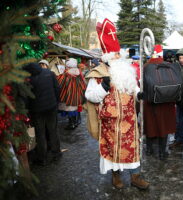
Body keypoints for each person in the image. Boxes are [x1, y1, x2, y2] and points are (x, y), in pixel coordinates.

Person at [85, 18, 149, 190]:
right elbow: (90, 96)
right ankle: (116, 176)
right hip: (110, 122)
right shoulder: (98, 73)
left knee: (132, 149)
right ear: (107, 59)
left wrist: (139, 94)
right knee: (114, 151)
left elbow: (133, 88)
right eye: (115, 57)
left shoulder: (127, 72)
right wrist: (103, 87)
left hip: (129, 120)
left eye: (119, 56)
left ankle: (135, 177)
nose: (119, 59)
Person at [24, 63, 61, 165]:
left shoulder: (28, 78)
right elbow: (57, 89)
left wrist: (27, 109)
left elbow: (27, 96)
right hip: (51, 107)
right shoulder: (49, 73)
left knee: (40, 133)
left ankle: (42, 158)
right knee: (53, 130)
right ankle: (56, 153)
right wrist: (56, 102)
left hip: (37, 110)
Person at [144, 45, 176, 160]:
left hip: (149, 101)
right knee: (164, 126)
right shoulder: (169, 66)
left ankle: (149, 149)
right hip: (166, 101)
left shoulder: (146, 66)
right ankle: (162, 152)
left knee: (150, 124)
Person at [57, 58, 86, 130]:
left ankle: (71, 124)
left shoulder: (66, 73)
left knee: (70, 109)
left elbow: (59, 82)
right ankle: (75, 122)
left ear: (68, 65)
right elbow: (84, 83)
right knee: (74, 109)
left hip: (68, 95)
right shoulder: (79, 72)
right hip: (77, 95)